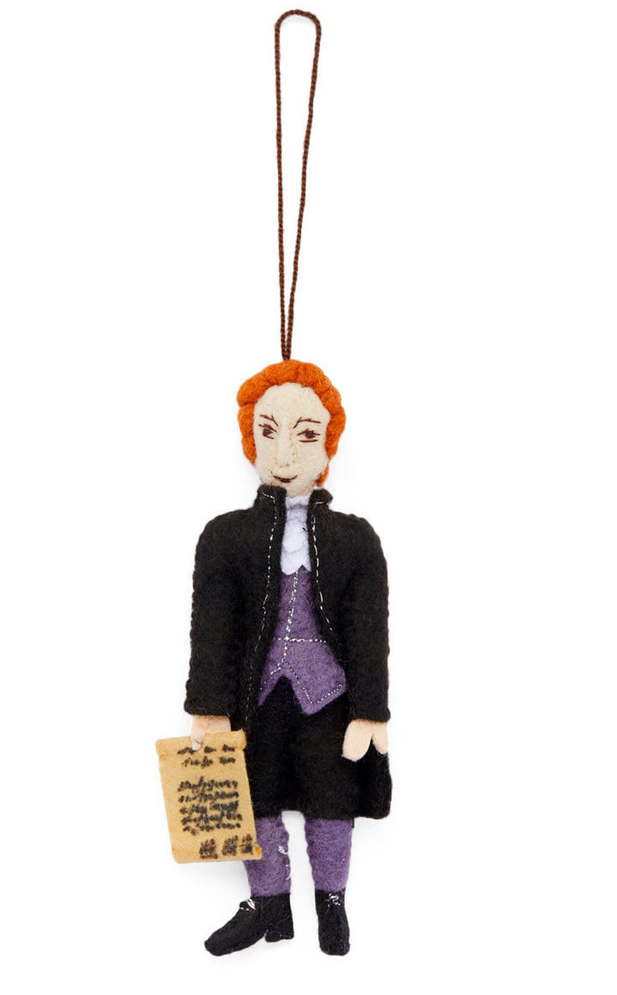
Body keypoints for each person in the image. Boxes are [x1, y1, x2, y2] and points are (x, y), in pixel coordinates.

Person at [184, 359, 391, 956]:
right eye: (268, 432)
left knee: (333, 795)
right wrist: (209, 706)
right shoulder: (224, 537)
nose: (284, 453)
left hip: (328, 698)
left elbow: (368, 628)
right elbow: (213, 627)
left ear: (328, 444)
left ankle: (332, 902)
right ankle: (269, 905)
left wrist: (370, 709)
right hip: (257, 696)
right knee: (252, 793)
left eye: (305, 434)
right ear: (250, 439)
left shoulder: (356, 539)